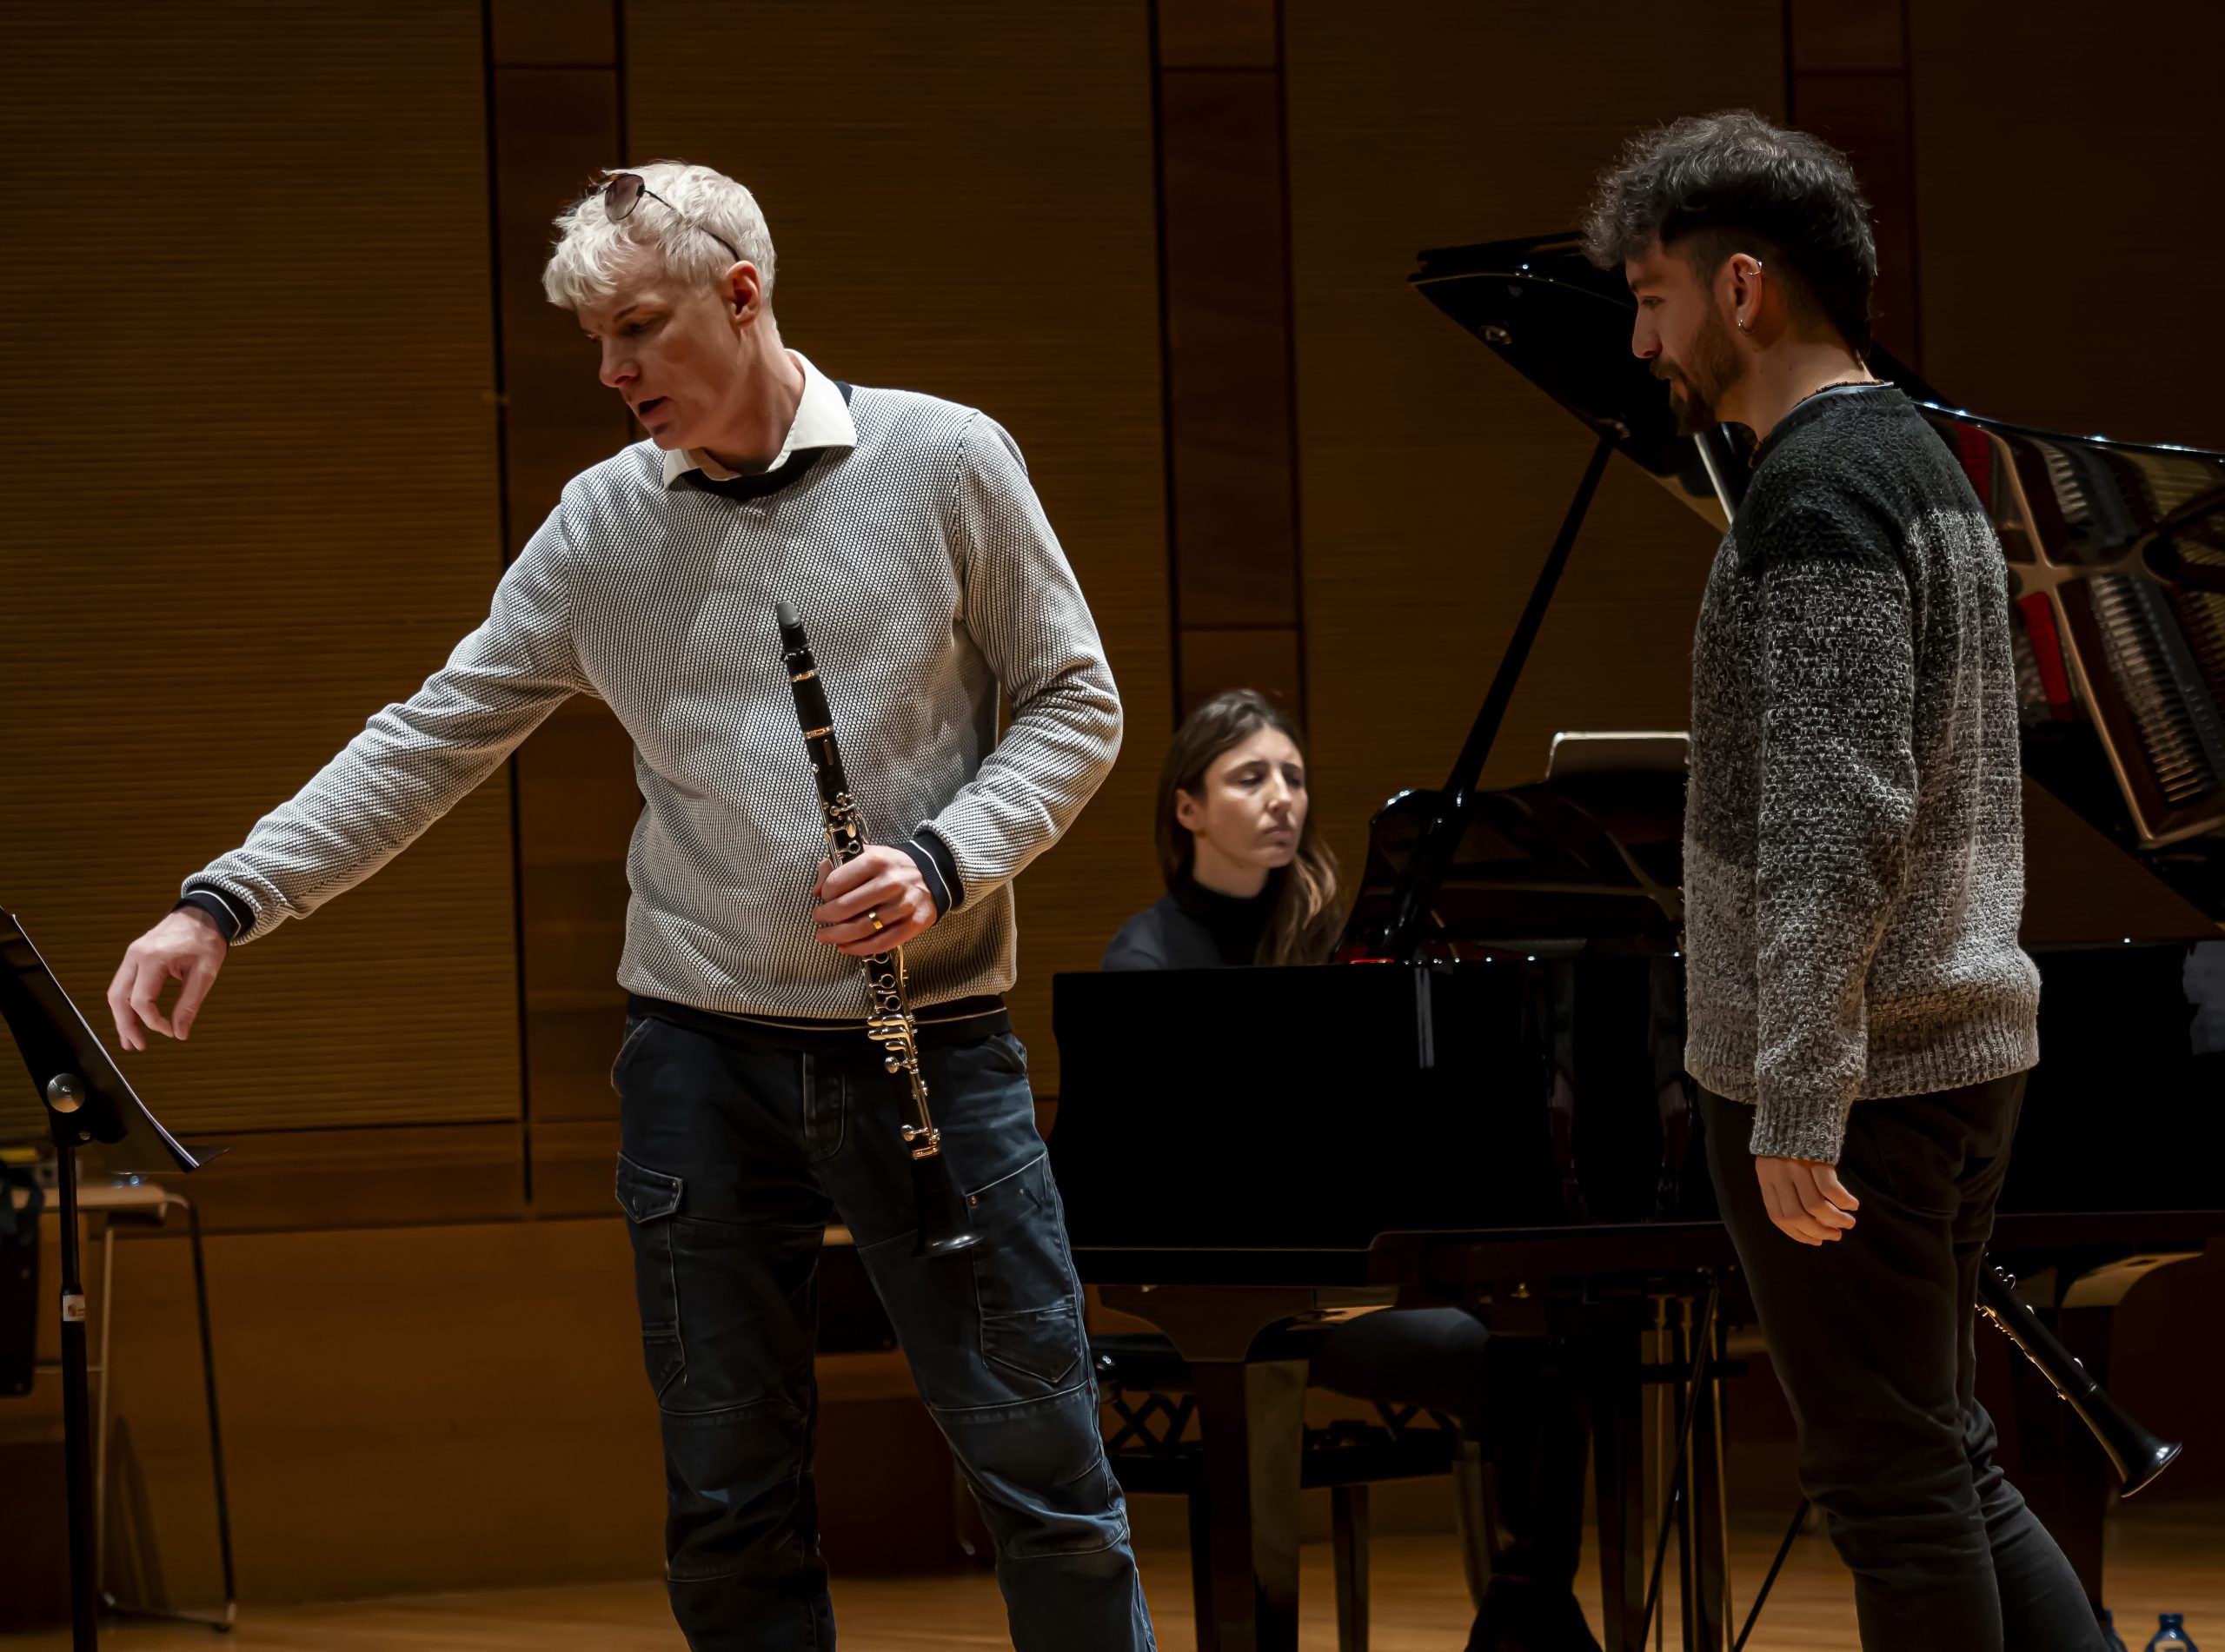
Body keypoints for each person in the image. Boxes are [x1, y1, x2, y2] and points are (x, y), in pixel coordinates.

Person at [105, 161, 1153, 1652]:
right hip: (701, 1054)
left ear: (744, 295)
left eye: (639, 328)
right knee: (729, 1504)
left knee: (1045, 1475)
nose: (610, 371)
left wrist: (943, 859)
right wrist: (226, 899)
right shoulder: (601, 526)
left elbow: (1074, 701)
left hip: (933, 1038)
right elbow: (433, 733)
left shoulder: (947, 460)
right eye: (596, 340)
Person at [1584, 113, 2094, 1651]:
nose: (1639, 343)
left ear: (1742, 289)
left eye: (1653, 299)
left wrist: (1801, 1094)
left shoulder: (1814, 494)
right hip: (1948, 1050)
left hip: (1865, 1077)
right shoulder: (1923, 462)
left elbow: (1837, 813)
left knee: (1893, 1485)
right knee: (1943, 1458)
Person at [1104, 690, 1598, 1652]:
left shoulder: (1340, 945)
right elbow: (1174, 1167)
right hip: (1242, 1286)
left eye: (1293, 777)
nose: (1282, 796)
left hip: (1356, 1270)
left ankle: (1527, 1598)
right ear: (1187, 806)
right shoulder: (1146, 961)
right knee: (1505, 1358)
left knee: (1552, 1340)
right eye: (1251, 777)